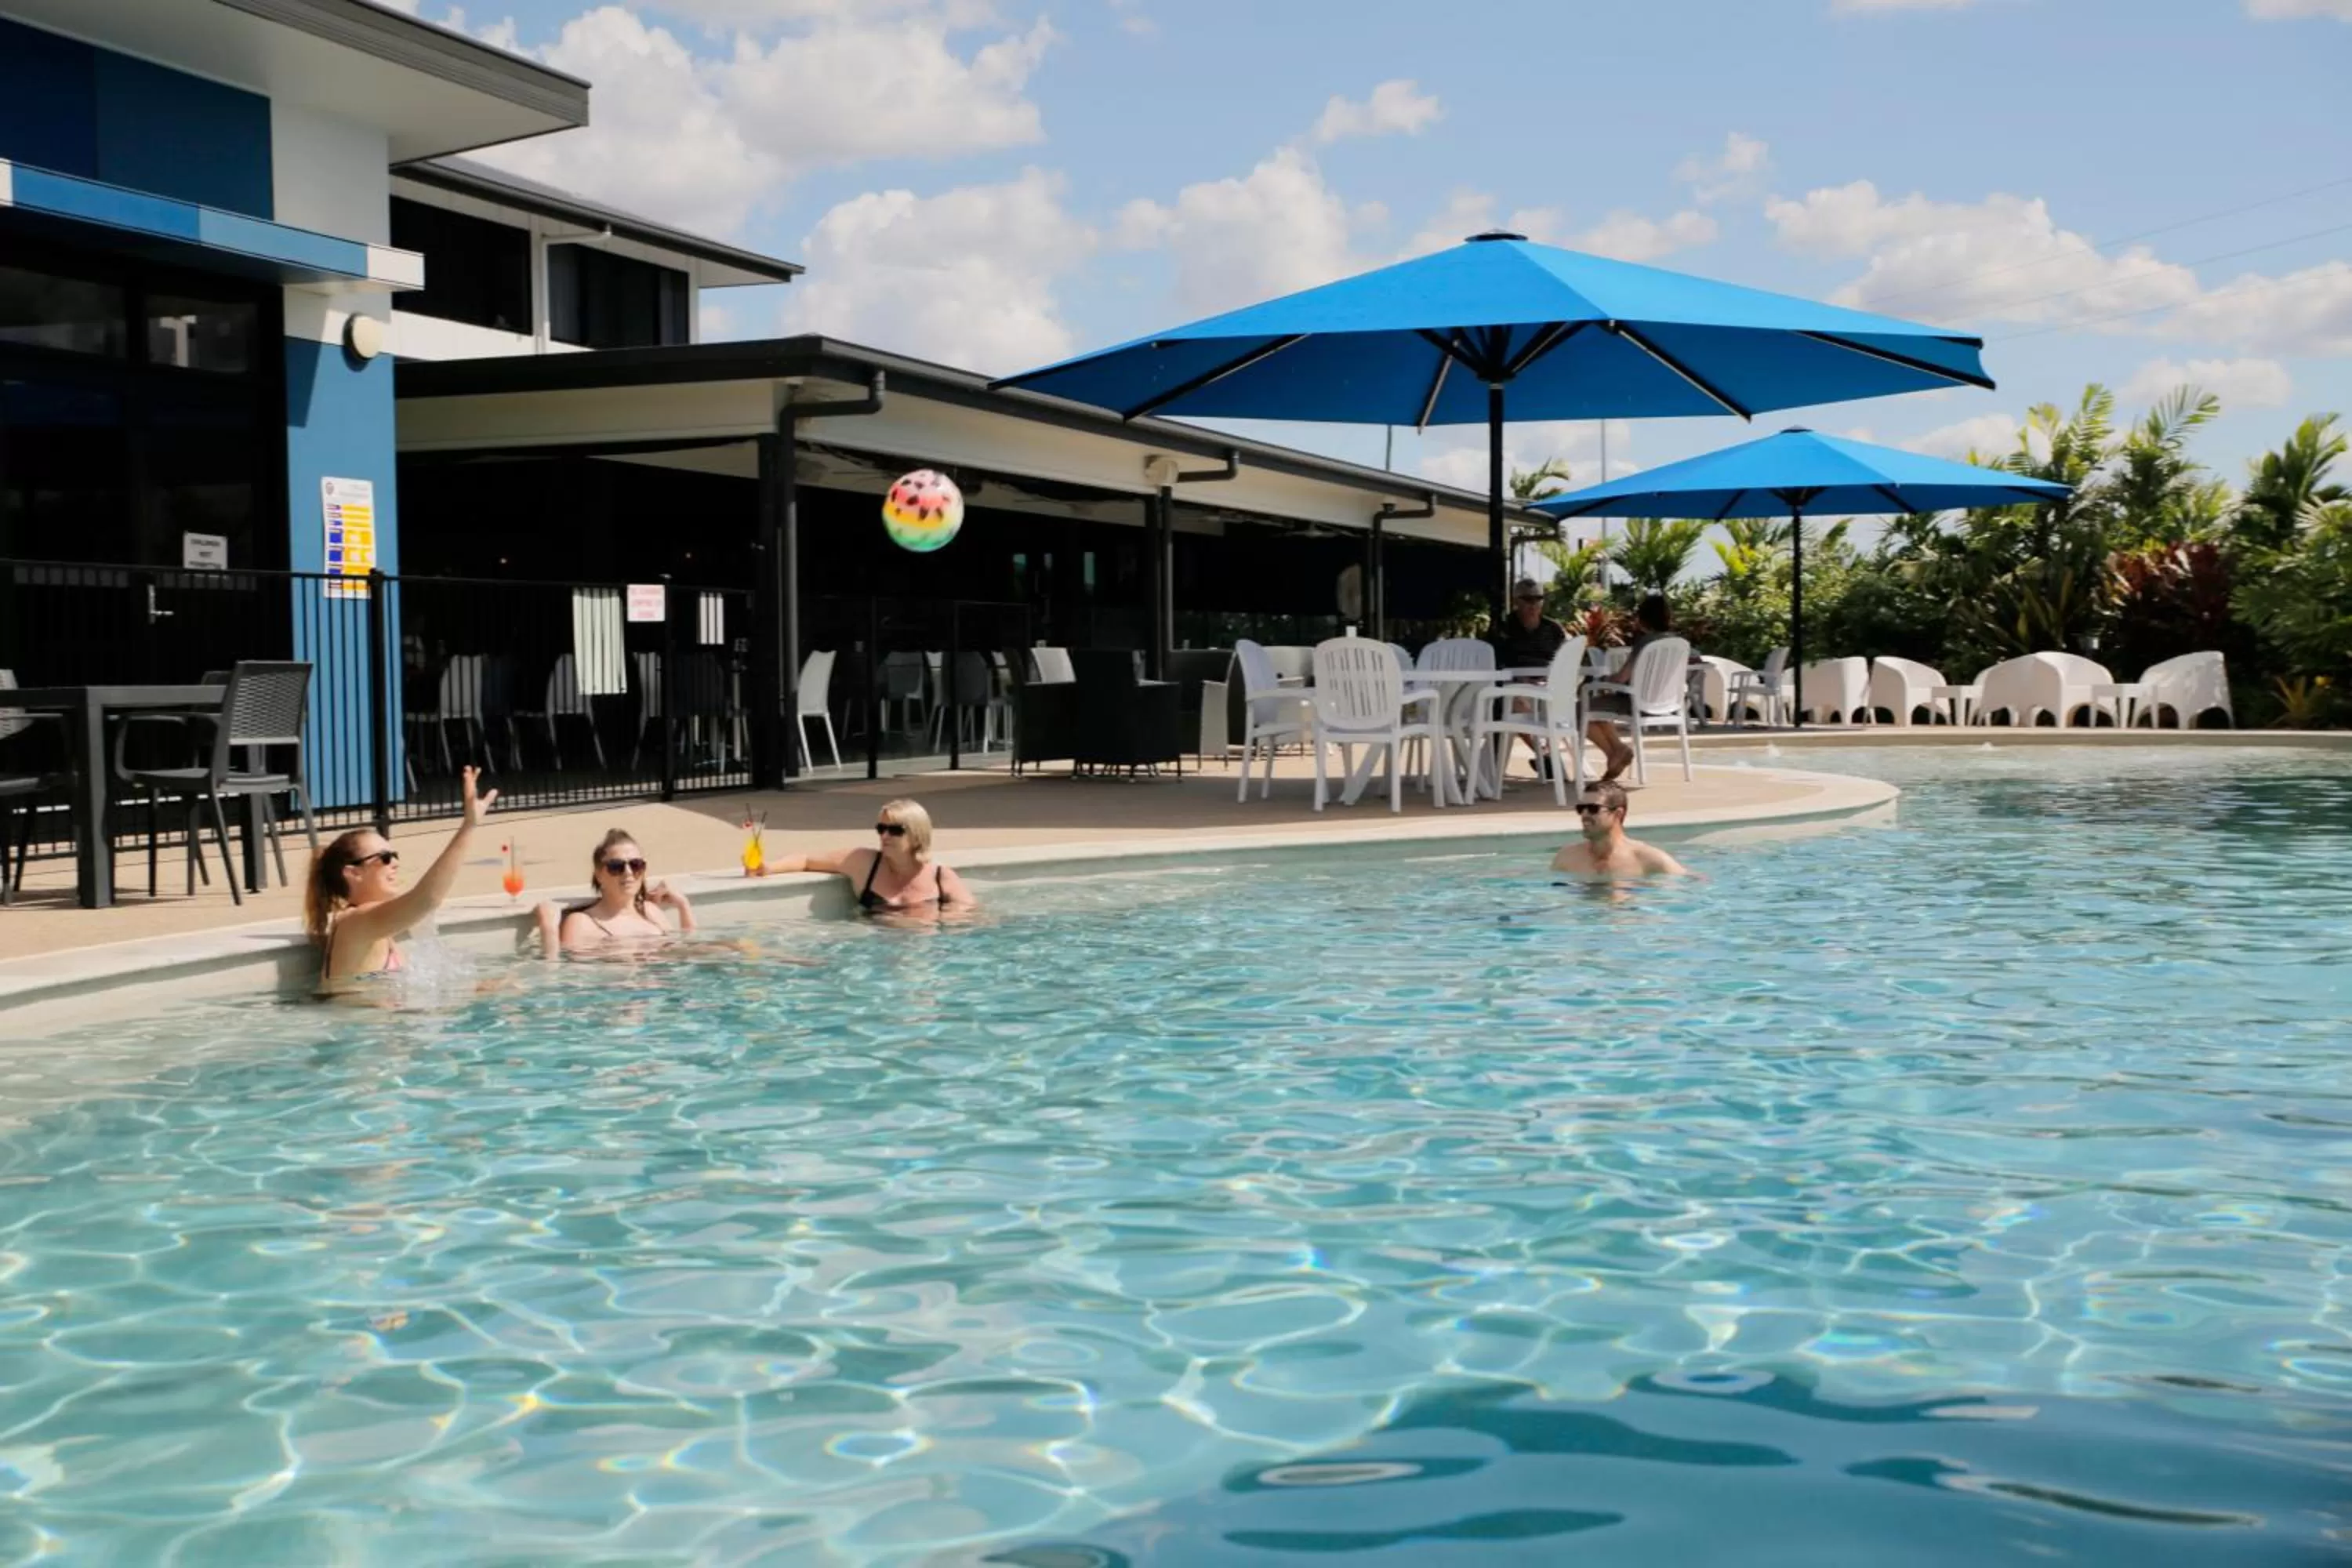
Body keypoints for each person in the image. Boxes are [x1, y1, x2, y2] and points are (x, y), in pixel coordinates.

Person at [307, 764, 497, 988]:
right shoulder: (356, 922)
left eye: (394, 855)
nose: (395, 863)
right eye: (385, 858)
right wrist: (468, 826)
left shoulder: (375, 929)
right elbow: (427, 899)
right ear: (354, 873)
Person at [747, 797, 975, 912]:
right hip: (872, 954)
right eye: (881, 828)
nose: (884, 836)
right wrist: (769, 868)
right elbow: (806, 860)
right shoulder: (863, 862)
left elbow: (968, 916)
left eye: (895, 830)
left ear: (917, 835)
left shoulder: (940, 877)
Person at [535, 829, 697, 955]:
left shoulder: (651, 912)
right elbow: (562, 973)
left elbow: (687, 952)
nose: (628, 872)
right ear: (599, 875)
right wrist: (549, 929)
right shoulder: (582, 923)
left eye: (636, 865)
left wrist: (683, 906)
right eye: (616, 867)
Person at [1584, 592, 1675, 783]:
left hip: (1636, 702)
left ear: (1642, 618)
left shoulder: (1646, 642)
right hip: (1667, 704)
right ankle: (1617, 750)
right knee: (1596, 708)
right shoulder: (1675, 643)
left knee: (1579, 708)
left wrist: (1601, 680)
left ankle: (1614, 752)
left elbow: (1621, 678)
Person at [1490, 577, 1570, 778]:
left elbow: (1566, 661)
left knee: (1560, 703)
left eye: (1538, 599)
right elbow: (1494, 663)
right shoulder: (1504, 628)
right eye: (1527, 599)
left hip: (1548, 686)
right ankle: (1544, 752)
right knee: (1512, 702)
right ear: (1516, 601)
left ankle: (1546, 754)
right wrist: (1520, 681)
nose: (1533, 604)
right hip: (1515, 685)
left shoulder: (1553, 629)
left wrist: (1552, 680)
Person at [1551, 779, 1690, 877]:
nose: (1584, 815)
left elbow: (1690, 882)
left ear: (1618, 814)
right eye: (1581, 808)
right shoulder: (1566, 857)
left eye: (1593, 809)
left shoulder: (1649, 860)